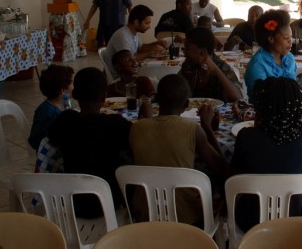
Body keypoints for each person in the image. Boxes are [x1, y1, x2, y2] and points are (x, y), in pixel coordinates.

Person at [130, 74, 228, 224]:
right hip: (187, 216)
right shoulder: (192, 129)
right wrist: (207, 126)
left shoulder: (136, 128)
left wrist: (147, 119)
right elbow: (222, 168)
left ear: (156, 99)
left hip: (146, 215)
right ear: (186, 104)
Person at [231, 77, 302, 232]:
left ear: (261, 109)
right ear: (299, 109)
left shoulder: (246, 138)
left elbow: (233, 174)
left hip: (251, 223)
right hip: (294, 223)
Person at [48, 67, 132, 218]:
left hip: (74, 203)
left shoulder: (65, 120)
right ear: (104, 97)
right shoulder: (116, 124)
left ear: (74, 95)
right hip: (109, 204)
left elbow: (52, 136)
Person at [244, 9, 302, 100]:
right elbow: (271, 104)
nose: (290, 41)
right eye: (285, 38)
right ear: (271, 39)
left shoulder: (289, 58)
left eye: (291, 37)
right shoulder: (257, 66)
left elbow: (290, 90)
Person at [179, 27, 242, 102]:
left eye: (188, 49)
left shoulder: (222, 67)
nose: (184, 52)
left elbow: (238, 98)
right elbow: (176, 92)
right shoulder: (188, 66)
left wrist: (217, 71)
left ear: (203, 52)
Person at [103, 5, 165, 79]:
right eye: (146, 23)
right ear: (136, 22)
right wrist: (151, 53)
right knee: (157, 75)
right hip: (121, 76)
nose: (149, 27)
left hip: (129, 71)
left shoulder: (134, 32)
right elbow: (129, 61)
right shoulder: (122, 35)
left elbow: (140, 48)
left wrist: (156, 43)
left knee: (159, 72)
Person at [28, 64, 74, 150]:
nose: (73, 87)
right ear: (63, 90)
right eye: (72, 84)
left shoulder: (64, 103)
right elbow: (34, 140)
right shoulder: (47, 112)